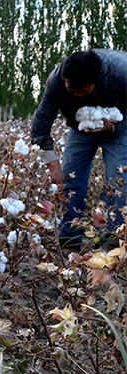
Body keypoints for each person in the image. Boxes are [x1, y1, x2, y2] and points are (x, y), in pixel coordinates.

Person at [31, 49, 127, 249]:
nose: (77, 96)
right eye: (72, 91)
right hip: (81, 129)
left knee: (118, 183)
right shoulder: (57, 81)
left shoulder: (121, 73)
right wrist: (51, 163)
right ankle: (69, 240)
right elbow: (40, 124)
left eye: (83, 91)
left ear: (97, 79)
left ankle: (109, 243)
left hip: (120, 126)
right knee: (71, 180)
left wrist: (114, 126)